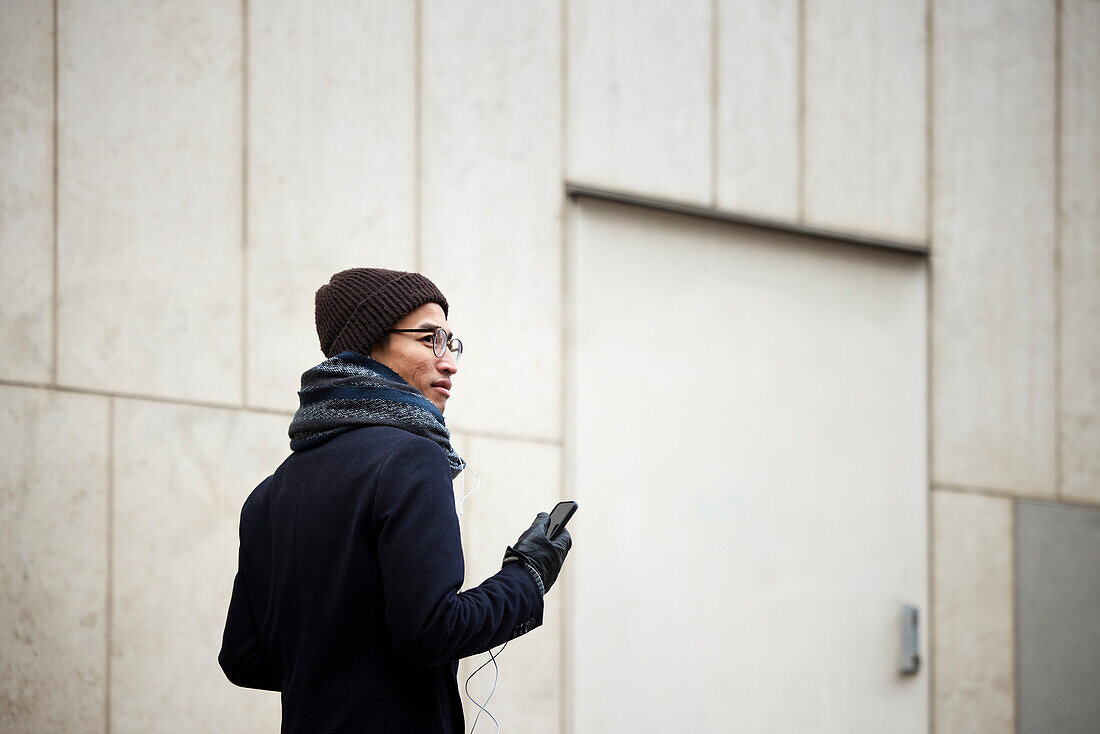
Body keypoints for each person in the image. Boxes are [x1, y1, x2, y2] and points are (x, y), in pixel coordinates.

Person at [218, 268, 572, 733]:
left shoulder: (267, 494)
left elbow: (243, 658)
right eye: (430, 339)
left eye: (450, 343)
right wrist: (528, 575)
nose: (449, 362)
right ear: (369, 344)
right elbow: (433, 631)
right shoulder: (412, 458)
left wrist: (336, 673)